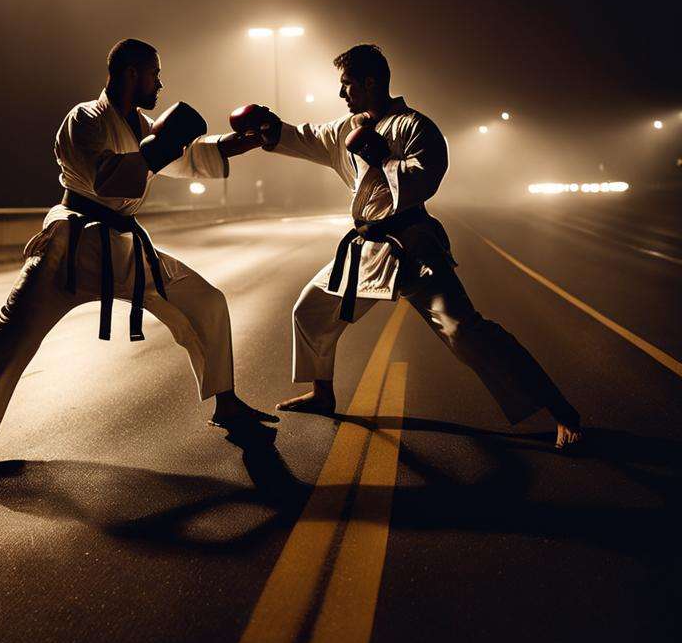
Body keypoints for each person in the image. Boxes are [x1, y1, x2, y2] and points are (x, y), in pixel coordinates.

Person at [0, 38, 271, 475]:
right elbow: (109, 178)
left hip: (124, 248)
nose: (160, 83)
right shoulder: (84, 119)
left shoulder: (138, 123)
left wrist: (231, 145)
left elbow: (181, 157)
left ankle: (225, 402)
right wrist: (161, 145)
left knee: (203, 299)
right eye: (154, 73)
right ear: (130, 72)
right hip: (70, 248)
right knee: (4, 337)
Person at [234, 43, 582, 450]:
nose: (342, 94)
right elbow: (306, 138)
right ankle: (322, 394)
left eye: (347, 85)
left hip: (413, 245)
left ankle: (561, 411)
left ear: (370, 83)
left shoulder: (416, 126)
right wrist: (270, 129)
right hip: (366, 248)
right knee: (310, 311)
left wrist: (383, 159)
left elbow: (426, 178)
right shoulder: (345, 130)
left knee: (464, 331)